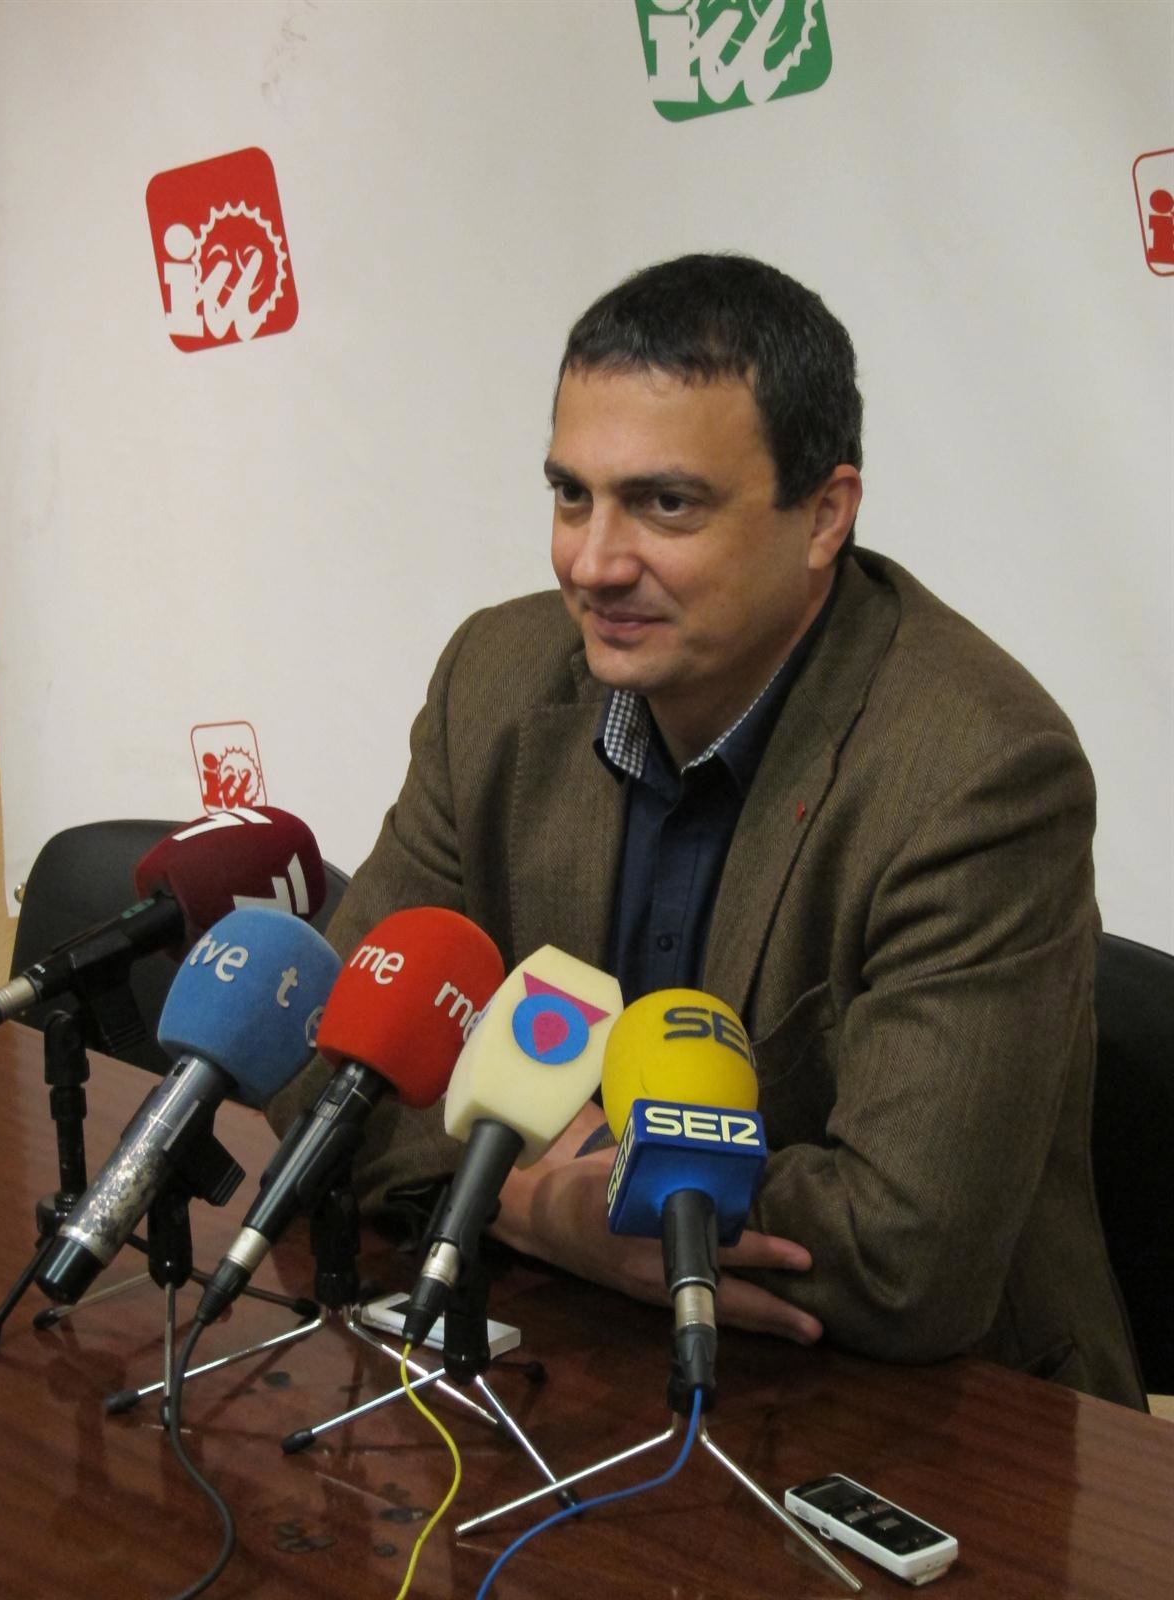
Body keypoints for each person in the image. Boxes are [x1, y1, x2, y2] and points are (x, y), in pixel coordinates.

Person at [269, 254, 1145, 1408]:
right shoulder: (495, 681)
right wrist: (546, 1205)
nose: (594, 562)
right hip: (576, 1352)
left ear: (824, 515)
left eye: (665, 504)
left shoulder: (976, 772)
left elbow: (905, 1255)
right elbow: (331, 1075)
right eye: (571, 495)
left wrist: (529, 1181)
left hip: (927, 1416)